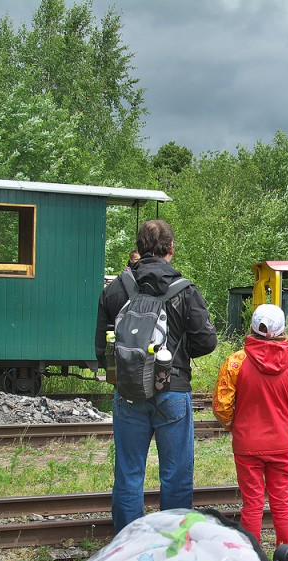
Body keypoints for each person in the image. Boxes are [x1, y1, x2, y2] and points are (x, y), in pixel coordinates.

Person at [96, 219, 217, 533]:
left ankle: (126, 543)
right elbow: (207, 341)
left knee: (128, 473)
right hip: (172, 390)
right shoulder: (184, 289)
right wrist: (174, 355)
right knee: (176, 475)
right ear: (171, 249)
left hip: (128, 392)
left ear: (138, 248)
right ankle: (172, 544)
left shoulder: (116, 288)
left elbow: (101, 346)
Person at [212, 304, 288, 546]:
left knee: (252, 505)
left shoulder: (235, 362)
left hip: (247, 444)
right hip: (281, 443)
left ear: (251, 328)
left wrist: (234, 426)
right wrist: (287, 425)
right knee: (281, 505)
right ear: (282, 330)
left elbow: (221, 406)